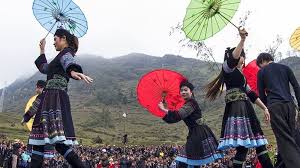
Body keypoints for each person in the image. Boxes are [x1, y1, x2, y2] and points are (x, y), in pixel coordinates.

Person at [21, 28, 93, 168]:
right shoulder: (58, 57)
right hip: (48, 99)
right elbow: (45, 68)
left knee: (58, 144)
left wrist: (72, 71)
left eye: (55, 39)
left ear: (63, 38)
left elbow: (68, 62)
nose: (54, 42)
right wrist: (42, 50)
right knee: (40, 142)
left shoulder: (66, 53)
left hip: (55, 99)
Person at [205, 28, 273, 168]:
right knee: (244, 147)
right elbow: (233, 59)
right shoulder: (228, 69)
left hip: (247, 110)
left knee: (256, 146)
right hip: (238, 109)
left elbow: (252, 95)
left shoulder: (242, 78)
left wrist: (265, 108)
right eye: (242, 55)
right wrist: (242, 40)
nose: (242, 59)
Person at [158, 80, 223, 167]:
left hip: (199, 133)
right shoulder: (187, 104)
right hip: (195, 133)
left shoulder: (192, 103)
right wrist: (165, 109)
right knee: (194, 160)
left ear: (191, 92)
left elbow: (178, 114)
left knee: (186, 160)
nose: (183, 92)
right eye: (181, 90)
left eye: (185, 90)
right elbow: (173, 119)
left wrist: (163, 109)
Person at [256, 52, 300, 167]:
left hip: (275, 107)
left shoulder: (261, 72)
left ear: (262, 61)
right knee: (291, 136)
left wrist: (267, 109)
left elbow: (261, 95)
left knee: (284, 140)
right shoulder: (285, 68)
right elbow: (296, 86)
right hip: (290, 106)